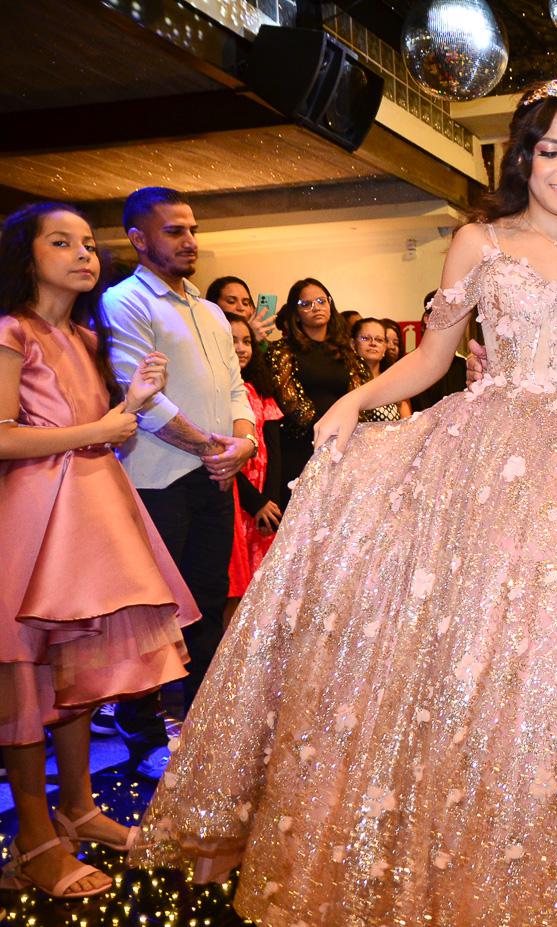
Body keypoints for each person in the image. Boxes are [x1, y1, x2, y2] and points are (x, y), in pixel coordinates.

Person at [130, 76, 557, 926]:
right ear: (522, 157)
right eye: (550, 150)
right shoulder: (479, 239)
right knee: (484, 646)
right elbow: (432, 357)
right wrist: (353, 401)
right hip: (496, 459)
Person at [0, 202, 196, 899]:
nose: (84, 253)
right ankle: (34, 842)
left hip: (89, 511)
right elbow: (3, 434)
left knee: (79, 674)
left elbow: (95, 426)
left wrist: (131, 406)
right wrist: (99, 430)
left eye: (88, 242)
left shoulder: (84, 336)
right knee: (27, 681)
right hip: (35, 518)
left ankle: (79, 809)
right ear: (26, 256)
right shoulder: (12, 330)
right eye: (62, 242)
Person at [101, 187, 256, 773]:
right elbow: (140, 397)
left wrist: (242, 443)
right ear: (138, 239)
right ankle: (141, 730)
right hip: (157, 478)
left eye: (193, 230)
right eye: (175, 231)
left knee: (208, 600)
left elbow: (235, 389)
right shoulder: (125, 301)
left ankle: (199, 726)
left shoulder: (210, 310)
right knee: (153, 611)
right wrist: (213, 448)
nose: (190, 241)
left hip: (214, 476)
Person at [265, 277, 368, 497]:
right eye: (306, 304)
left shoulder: (346, 351)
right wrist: (326, 430)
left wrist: (344, 431)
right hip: (301, 445)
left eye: (321, 301)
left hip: (345, 444)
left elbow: (360, 396)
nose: (316, 307)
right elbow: (290, 401)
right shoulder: (282, 351)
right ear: (295, 313)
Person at [224, 314, 282, 613]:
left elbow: (275, 449)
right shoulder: (219, 393)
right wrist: (255, 502)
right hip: (237, 494)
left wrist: (269, 499)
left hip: (263, 498)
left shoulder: (260, 390)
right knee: (233, 583)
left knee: (260, 584)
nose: (241, 348)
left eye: (246, 341)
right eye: (232, 340)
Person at [351, 317, 411, 421]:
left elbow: (407, 423)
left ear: (385, 347)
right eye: (365, 338)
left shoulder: (394, 381)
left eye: (379, 340)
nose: (373, 343)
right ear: (353, 344)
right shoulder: (347, 379)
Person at [207, 275, 274, 344]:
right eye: (231, 301)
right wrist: (251, 337)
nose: (241, 308)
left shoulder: (262, 342)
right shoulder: (208, 338)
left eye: (245, 303)